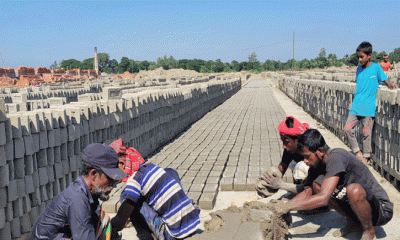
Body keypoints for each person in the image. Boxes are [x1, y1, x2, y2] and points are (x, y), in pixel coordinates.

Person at [271, 129, 393, 240]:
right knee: (316, 186)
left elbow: (323, 199)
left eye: (307, 156)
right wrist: (287, 205)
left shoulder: (336, 157)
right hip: (357, 208)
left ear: (320, 151)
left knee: (353, 190)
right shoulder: (316, 166)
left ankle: (369, 231)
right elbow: (307, 192)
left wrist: (288, 207)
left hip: (380, 211)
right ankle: (354, 224)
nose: (305, 161)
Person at [30, 143, 127, 240]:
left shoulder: (89, 193)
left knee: (103, 221)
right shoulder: (77, 199)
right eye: (110, 178)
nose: (113, 183)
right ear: (93, 174)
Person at [111, 162, 201, 240]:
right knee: (169, 172)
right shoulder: (150, 166)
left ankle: (147, 237)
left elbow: (120, 222)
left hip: (172, 234)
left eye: (112, 168)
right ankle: (189, 207)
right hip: (193, 221)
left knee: (127, 196)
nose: (111, 175)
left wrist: (110, 227)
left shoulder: (134, 181)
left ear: (122, 164)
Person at [344, 42, 397, 165]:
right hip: (356, 105)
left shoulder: (376, 68)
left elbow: (384, 80)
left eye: (361, 56)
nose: (359, 59)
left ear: (369, 55)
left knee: (366, 133)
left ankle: (366, 158)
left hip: (368, 106)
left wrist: (391, 86)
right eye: (358, 57)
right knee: (347, 128)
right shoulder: (358, 69)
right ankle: (357, 152)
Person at [256, 116, 310, 197]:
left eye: (287, 142)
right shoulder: (290, 149)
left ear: (297, 139)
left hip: (319, 185)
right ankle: (298, 193)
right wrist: (268, 179)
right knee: (277, 169)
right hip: (306, 184)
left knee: (301, 167)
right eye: (282, 142)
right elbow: (281, 169)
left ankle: (304, 196)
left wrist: (281, 185)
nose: (284, 146)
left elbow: (314, 185)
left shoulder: (310, 149)